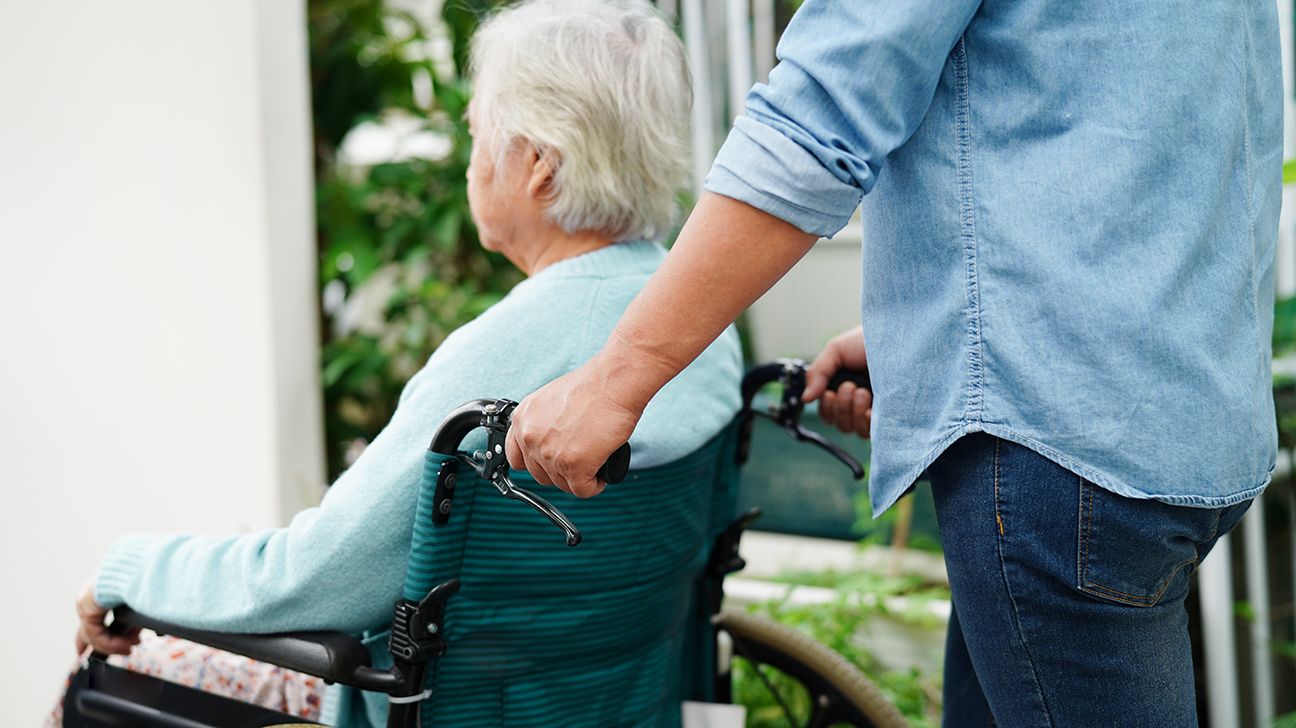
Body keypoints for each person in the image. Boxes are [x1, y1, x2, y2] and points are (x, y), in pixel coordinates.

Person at [505, 1, 1280, 725]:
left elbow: (816, 122)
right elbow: (1145, 124)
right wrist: (941, 327)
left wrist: (617, 379)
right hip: (1178, 411)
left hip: (1057, 451)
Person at [56, 1, 741, 725]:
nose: (472, 163)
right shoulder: (700, 325)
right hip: (614, 697)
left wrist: (127, 568)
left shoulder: (505, 355)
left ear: (537, 166)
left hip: (456, 708)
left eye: (478, 135)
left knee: (115, 669)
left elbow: (314, 582)